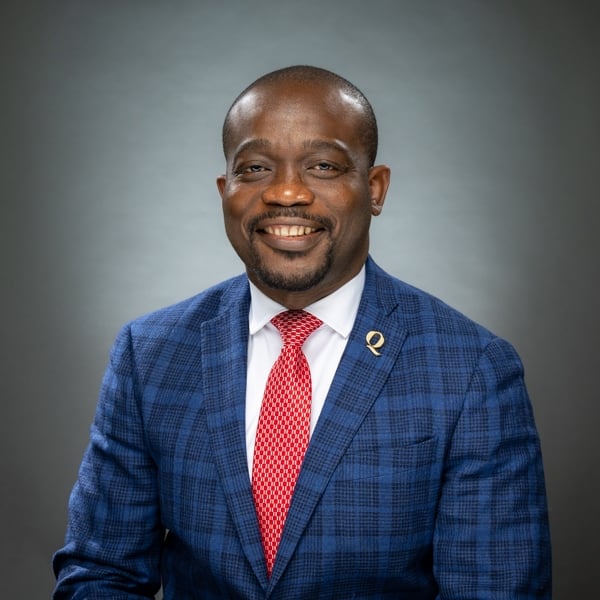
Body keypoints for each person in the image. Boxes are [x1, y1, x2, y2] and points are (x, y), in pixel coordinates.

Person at [53, 65, 551, 599]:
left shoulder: (471, 370)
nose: (286, 192)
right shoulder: (149, 354)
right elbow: (101, 574)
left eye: (323, 165)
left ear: (375, 188)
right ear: (226, 191)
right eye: (256, 168)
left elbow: (494, 591)